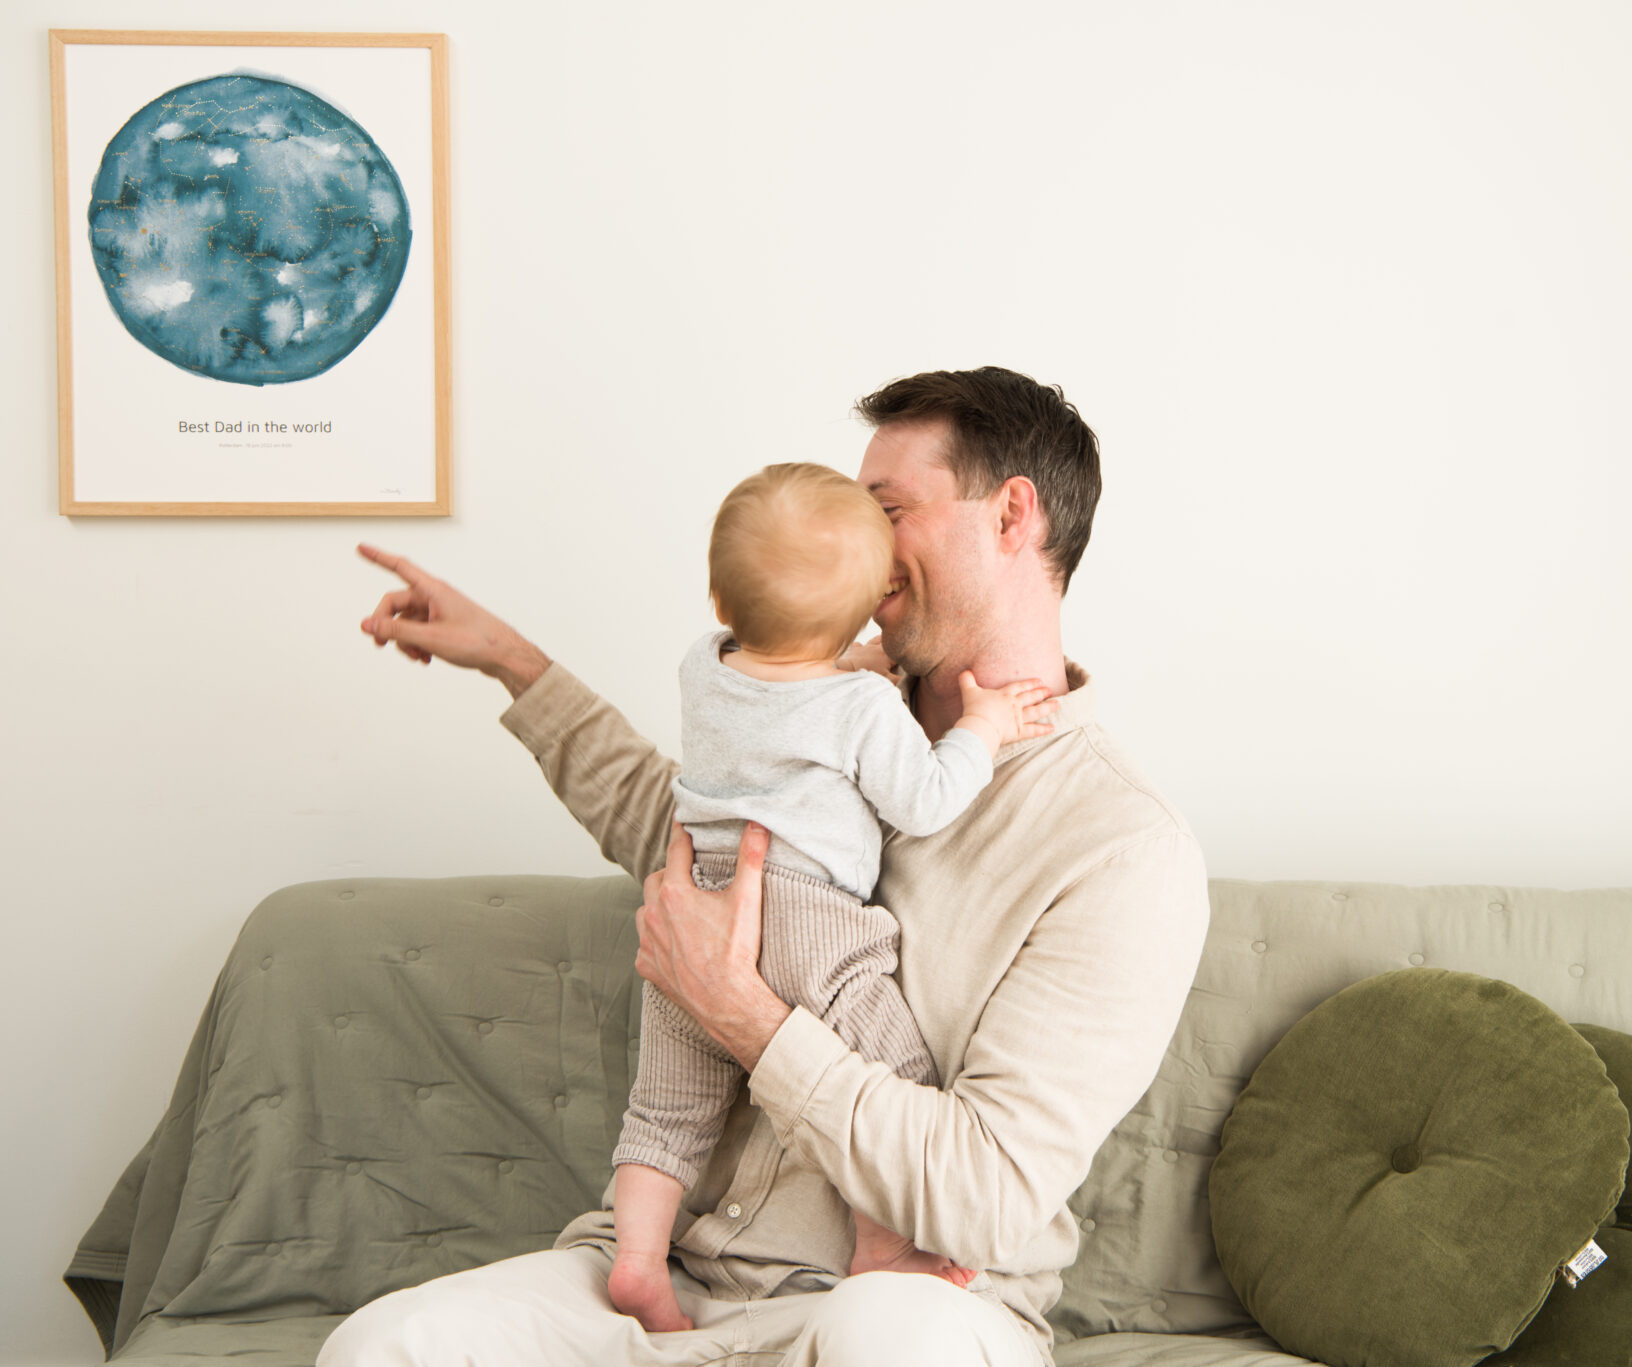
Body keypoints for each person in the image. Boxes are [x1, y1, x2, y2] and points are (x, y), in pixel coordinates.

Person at [322, 367, 1209, 1367]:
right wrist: (508, 658)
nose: (858, 549)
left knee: (894, 1346)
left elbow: (985, 1189)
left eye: (885, 512)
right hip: (680, 1284)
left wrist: (740, 1009)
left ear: (1010, 514)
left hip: (902, 1300)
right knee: (387, 1344)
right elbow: (670, 821)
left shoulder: (1123, 848)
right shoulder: (822, 706)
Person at [610, 460, 1058, 1333]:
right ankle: (883, 1244)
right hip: (804, 909)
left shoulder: (704, 667)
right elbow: (925, 798)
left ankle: (634, 1261)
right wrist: (983, 725)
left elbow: (782, 683)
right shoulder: (860, 704)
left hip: (693, 893)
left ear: (717, 599)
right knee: (894, 1074)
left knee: (666, 1102)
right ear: (864, 614)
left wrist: (835, 657)